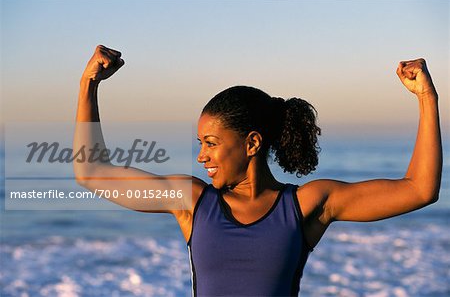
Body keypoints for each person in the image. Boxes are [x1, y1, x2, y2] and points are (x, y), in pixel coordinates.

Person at [74, 45, 442, 296]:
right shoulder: (192, 201)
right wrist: (88, 84)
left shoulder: (307, 203)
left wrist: (427, 99)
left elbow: (419, 189)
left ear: (251, 144)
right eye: (200, 143)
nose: (201, 156)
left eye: (211, 143)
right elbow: (91, 171)